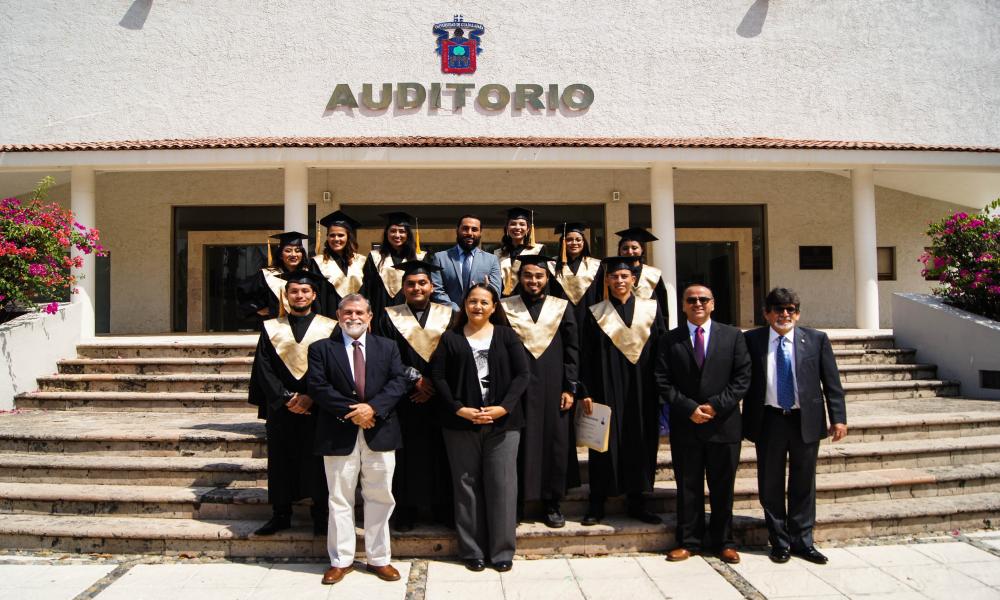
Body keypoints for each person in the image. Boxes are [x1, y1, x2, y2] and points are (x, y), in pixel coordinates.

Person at [307, 294, 410, 585]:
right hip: (338, 433)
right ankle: (341, 560)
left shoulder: (387, 347)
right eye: (347, 312)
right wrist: (355, 412)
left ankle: (379, 559)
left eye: (359, 312)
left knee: (380, 497)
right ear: (339, 317)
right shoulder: (321, 349)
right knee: (339, 498)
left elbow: (398, 381)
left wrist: (372, 408)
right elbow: (318, 386)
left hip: (380, 430)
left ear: (369, 316)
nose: (353, 317)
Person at [743, 287, 847, 565]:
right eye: (778, 309)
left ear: (798, 314)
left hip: (805, 421)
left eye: (790, 309)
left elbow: (832, 383)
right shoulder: (752, 340)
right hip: (770, 420)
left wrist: (838, 418)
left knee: (803, 483)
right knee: (770, 483)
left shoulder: (816, 340)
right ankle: (779, 542)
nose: (784, 314)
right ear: (766, 314)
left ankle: (803, 541)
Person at [431, 283, 530, 572]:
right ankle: (471, 550)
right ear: (464, 305)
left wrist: (504, 407)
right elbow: (438, 377)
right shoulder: (450, 338)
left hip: (504, 424)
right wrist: (459, 408)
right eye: (472, 301)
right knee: (466, 485)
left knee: (502, 485)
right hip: (461, 424)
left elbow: (523, 375)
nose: (477, 307)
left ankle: (501, 551)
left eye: (484, 302)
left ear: (494, 307)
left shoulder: (506, 335)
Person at [655, 284, 751, 565]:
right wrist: (689, 408)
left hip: (724, 425)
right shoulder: (669, 340)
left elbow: (743, 377)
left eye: (703, 299)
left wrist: (715, 406)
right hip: (686, 425)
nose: (697, 303)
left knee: (723, 487)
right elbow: (662, 379)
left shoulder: (733, 336)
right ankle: (688, 541)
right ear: (683, 305)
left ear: (713, 304)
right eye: (691, 300)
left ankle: (724, 542)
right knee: (688, 486)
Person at [248, 269, 337, 537]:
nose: (299, 295)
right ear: (286, 296)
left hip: (318, 407)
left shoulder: (330, 327)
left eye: (304, 291)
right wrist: (284, 397)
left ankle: (321, 515)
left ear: (313, 294)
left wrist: (312, 395)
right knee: (280, 460)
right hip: (282, 407)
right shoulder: (271, 327)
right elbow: (264, 368)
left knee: (320, 462)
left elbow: (334, 367)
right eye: (294, 291)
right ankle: (280, 514)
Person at [578, 256, 666, 526]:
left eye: (624, 277)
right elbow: (586, 354)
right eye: (614, 277)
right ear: (607, 280)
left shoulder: (651, 309)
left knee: (640, 440)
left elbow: (662, 349)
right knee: (602, 445)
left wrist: (663, 387)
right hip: (605, 387)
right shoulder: (596, 312)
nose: (619, 281)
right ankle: (597, 502)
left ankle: (637, 500)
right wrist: (585, 390)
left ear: (634, 280)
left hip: (643, 388)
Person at [499, 255, 580, 528]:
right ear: (519, 278)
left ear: (547, 279)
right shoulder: (505, 307)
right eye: (528, 276)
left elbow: (572, 351)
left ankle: (552, 502)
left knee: (554, 444)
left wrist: (570, 387)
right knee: (516, 444)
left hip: (552, 385)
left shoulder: (561, 307)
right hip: (515, 387)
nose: (533, 281)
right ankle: (517, 503)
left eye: (538, 276)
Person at [377, 260, 455, 531]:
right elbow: (385, 356)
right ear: (403, 287)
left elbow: (456, 354)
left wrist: (433, 382)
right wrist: (416, 380)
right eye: (410, 284)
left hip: (441, 397)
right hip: (404, 398)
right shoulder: (388, 316)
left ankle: (441, 508)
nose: (416, 288)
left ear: (432, 287)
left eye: (422, 283)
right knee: (405, 456)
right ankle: (406, 510)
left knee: (441, 453)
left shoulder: (449, 315)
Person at [363, 211, 427, 326]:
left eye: (402, 231)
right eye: (393, 231)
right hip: (379, 314)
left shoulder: (420, 257)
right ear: (386, 233)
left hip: (410, 315)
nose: (397, 235)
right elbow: (368, 290)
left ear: (408, 234)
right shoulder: (374, 257)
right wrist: (366, 315)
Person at [237, 231, 314, 325]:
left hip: (307, 326)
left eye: (298, 251)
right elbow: (243, 293)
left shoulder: (310, 273)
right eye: (288, 251)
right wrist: (257, 308)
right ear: (281, 255)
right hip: (276, 328)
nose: (293, 254)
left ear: (302, 254)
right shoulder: (267, 275)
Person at [429, 214, 502, 310]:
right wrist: (456, 310)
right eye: (465, 228)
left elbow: (496, 292)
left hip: (479, 314)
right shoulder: (440, 258)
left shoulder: (491, 260)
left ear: (480, 233)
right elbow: (437, 290)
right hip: (449, 316)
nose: (469, 233)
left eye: (474, 229)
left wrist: (487, 290)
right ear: (457, 230)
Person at [548, 222, 603, 346]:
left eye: (578, 240)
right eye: (569, 240)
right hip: (561, 319)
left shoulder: (595, 265)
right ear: (563, 242)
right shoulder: (552, 266)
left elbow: (599, 295)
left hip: (588, 319)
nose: (574, 243)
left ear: (584, 242)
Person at [311, 210, 365, 318]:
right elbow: (316, 296)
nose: (336, 239)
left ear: (348, 237)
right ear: (327, 237)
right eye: (332, 235)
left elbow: (367, 293)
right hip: (328, 317)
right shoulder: (317, 263)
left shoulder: (361, 261)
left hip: (356, 317)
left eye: (341, 235)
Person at [613, 227, 669, 317]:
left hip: (648, 325)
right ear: (619, 251)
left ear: (642, 249)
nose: (630, 252)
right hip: (618, 323)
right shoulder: (612, 274)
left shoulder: (653, 274)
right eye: (625, 248)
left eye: (634, 248)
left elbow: (661, 307)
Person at [494, 207, 545, 296]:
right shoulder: (498, 253)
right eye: (513, 224)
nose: (517, 227)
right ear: (507, 228)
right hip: (502, 301)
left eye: (522, 224)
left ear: (528, 229)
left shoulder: (538, 250)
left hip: (526, 301)